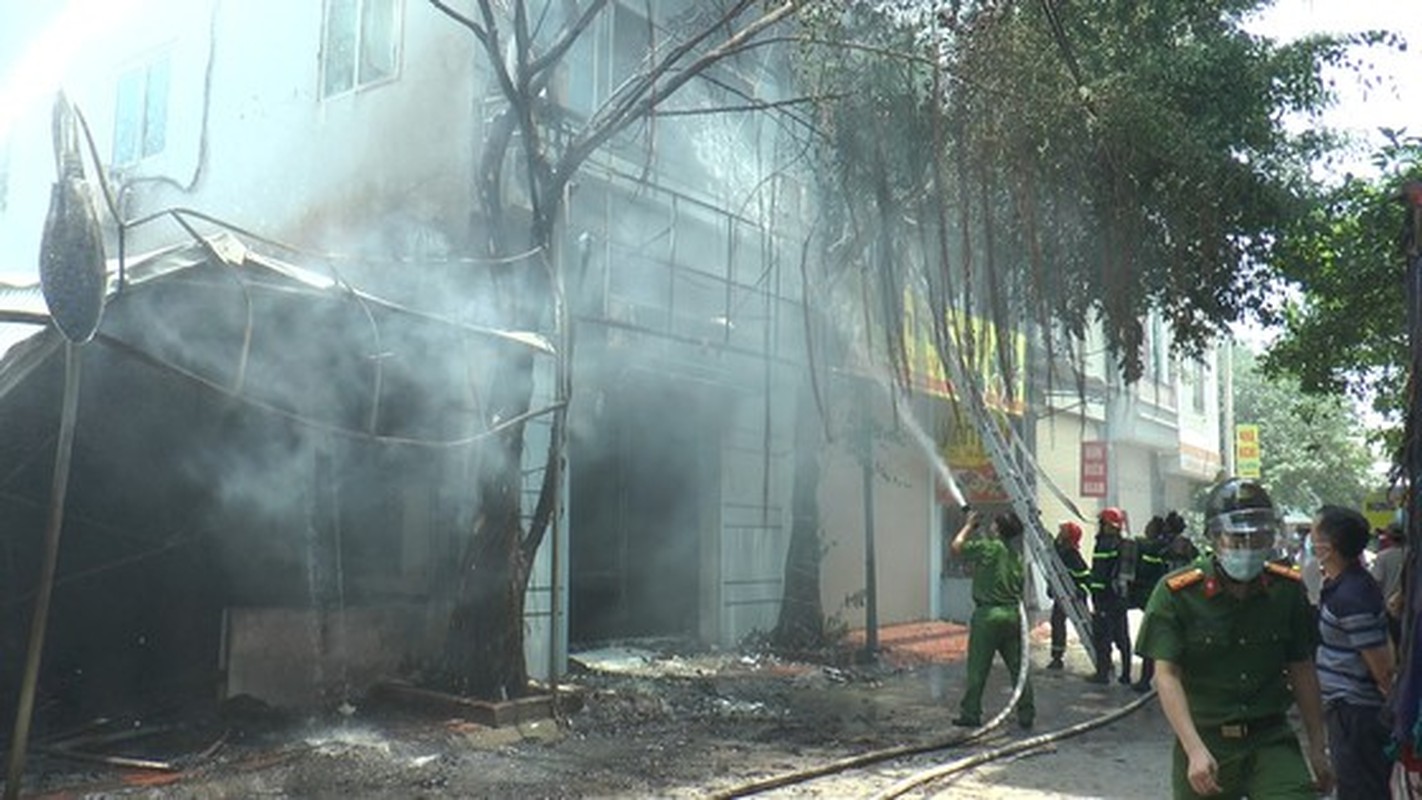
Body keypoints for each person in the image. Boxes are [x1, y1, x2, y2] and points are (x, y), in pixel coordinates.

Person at [1135, 477, 1332, 798]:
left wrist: (1318, 747)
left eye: (1258, 539)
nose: (1249, 549)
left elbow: (1302, 669)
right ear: (1215, 539)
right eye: (1237, 539)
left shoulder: (1287, 591)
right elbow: (1166, 675)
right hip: (1205, 739)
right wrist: (1194, 748)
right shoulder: (1177, 594)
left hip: (1270, 738)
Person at [1311, 504, 1393, 800]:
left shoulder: (1352, 595)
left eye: (1314, 534)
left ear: (1328, 547)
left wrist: (1393, 710)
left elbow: (1381, 667)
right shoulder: (1343, 585)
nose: (1311, 540)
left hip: (1357, 714)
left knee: (1361, 790)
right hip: (1349, 711)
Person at [950, 509, 1035, 730]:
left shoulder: (989, 547)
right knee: (1019, 668)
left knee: (978, 668)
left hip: (987, 617)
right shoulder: (1015, 555)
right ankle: (1027, 713)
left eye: (994, 522)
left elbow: (957, 547)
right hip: (1012, 617)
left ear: (997, 528)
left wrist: (968, 526)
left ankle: (971, 713)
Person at [1087, 507, 1132, 685]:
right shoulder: (1121, 544)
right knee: (1122, 636)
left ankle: (1102, 674)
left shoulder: (1105, 544)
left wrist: (1096, 593)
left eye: (1103, 523)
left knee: (1103, 637)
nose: (1101, 526)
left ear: (1109, 525)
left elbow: (1100, 573)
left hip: (1105, 599)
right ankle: (1126, 674)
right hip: (1119, 598)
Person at [1128, 515, 1172, 692]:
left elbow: (1145, 570)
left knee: (1150, 640)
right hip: (1159, 597)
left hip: (1152, 597)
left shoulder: (1151, 548)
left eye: (1149, 526)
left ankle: (1146, 680)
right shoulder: (1166, 548)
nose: (1146, 529)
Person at [1048, 520, 1091, 670]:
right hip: (1062, 594)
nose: (1059, 532)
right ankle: (1057, 657)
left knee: (1086, 627)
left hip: (1074, 596)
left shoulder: (1072, 554)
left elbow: (1085, 577)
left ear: (1069, 537)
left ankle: (1102, 658)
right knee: (1057, 623)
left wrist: (1080, 590)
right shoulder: (1058, 550)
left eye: (1063, 531)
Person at [1369, 520, 1406, 647]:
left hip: (1389, 606)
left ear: (1389, 538)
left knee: (1392, 642)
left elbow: (1376, 581)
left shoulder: (1383, 557)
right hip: (1410, 605)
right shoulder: (1412, 554)